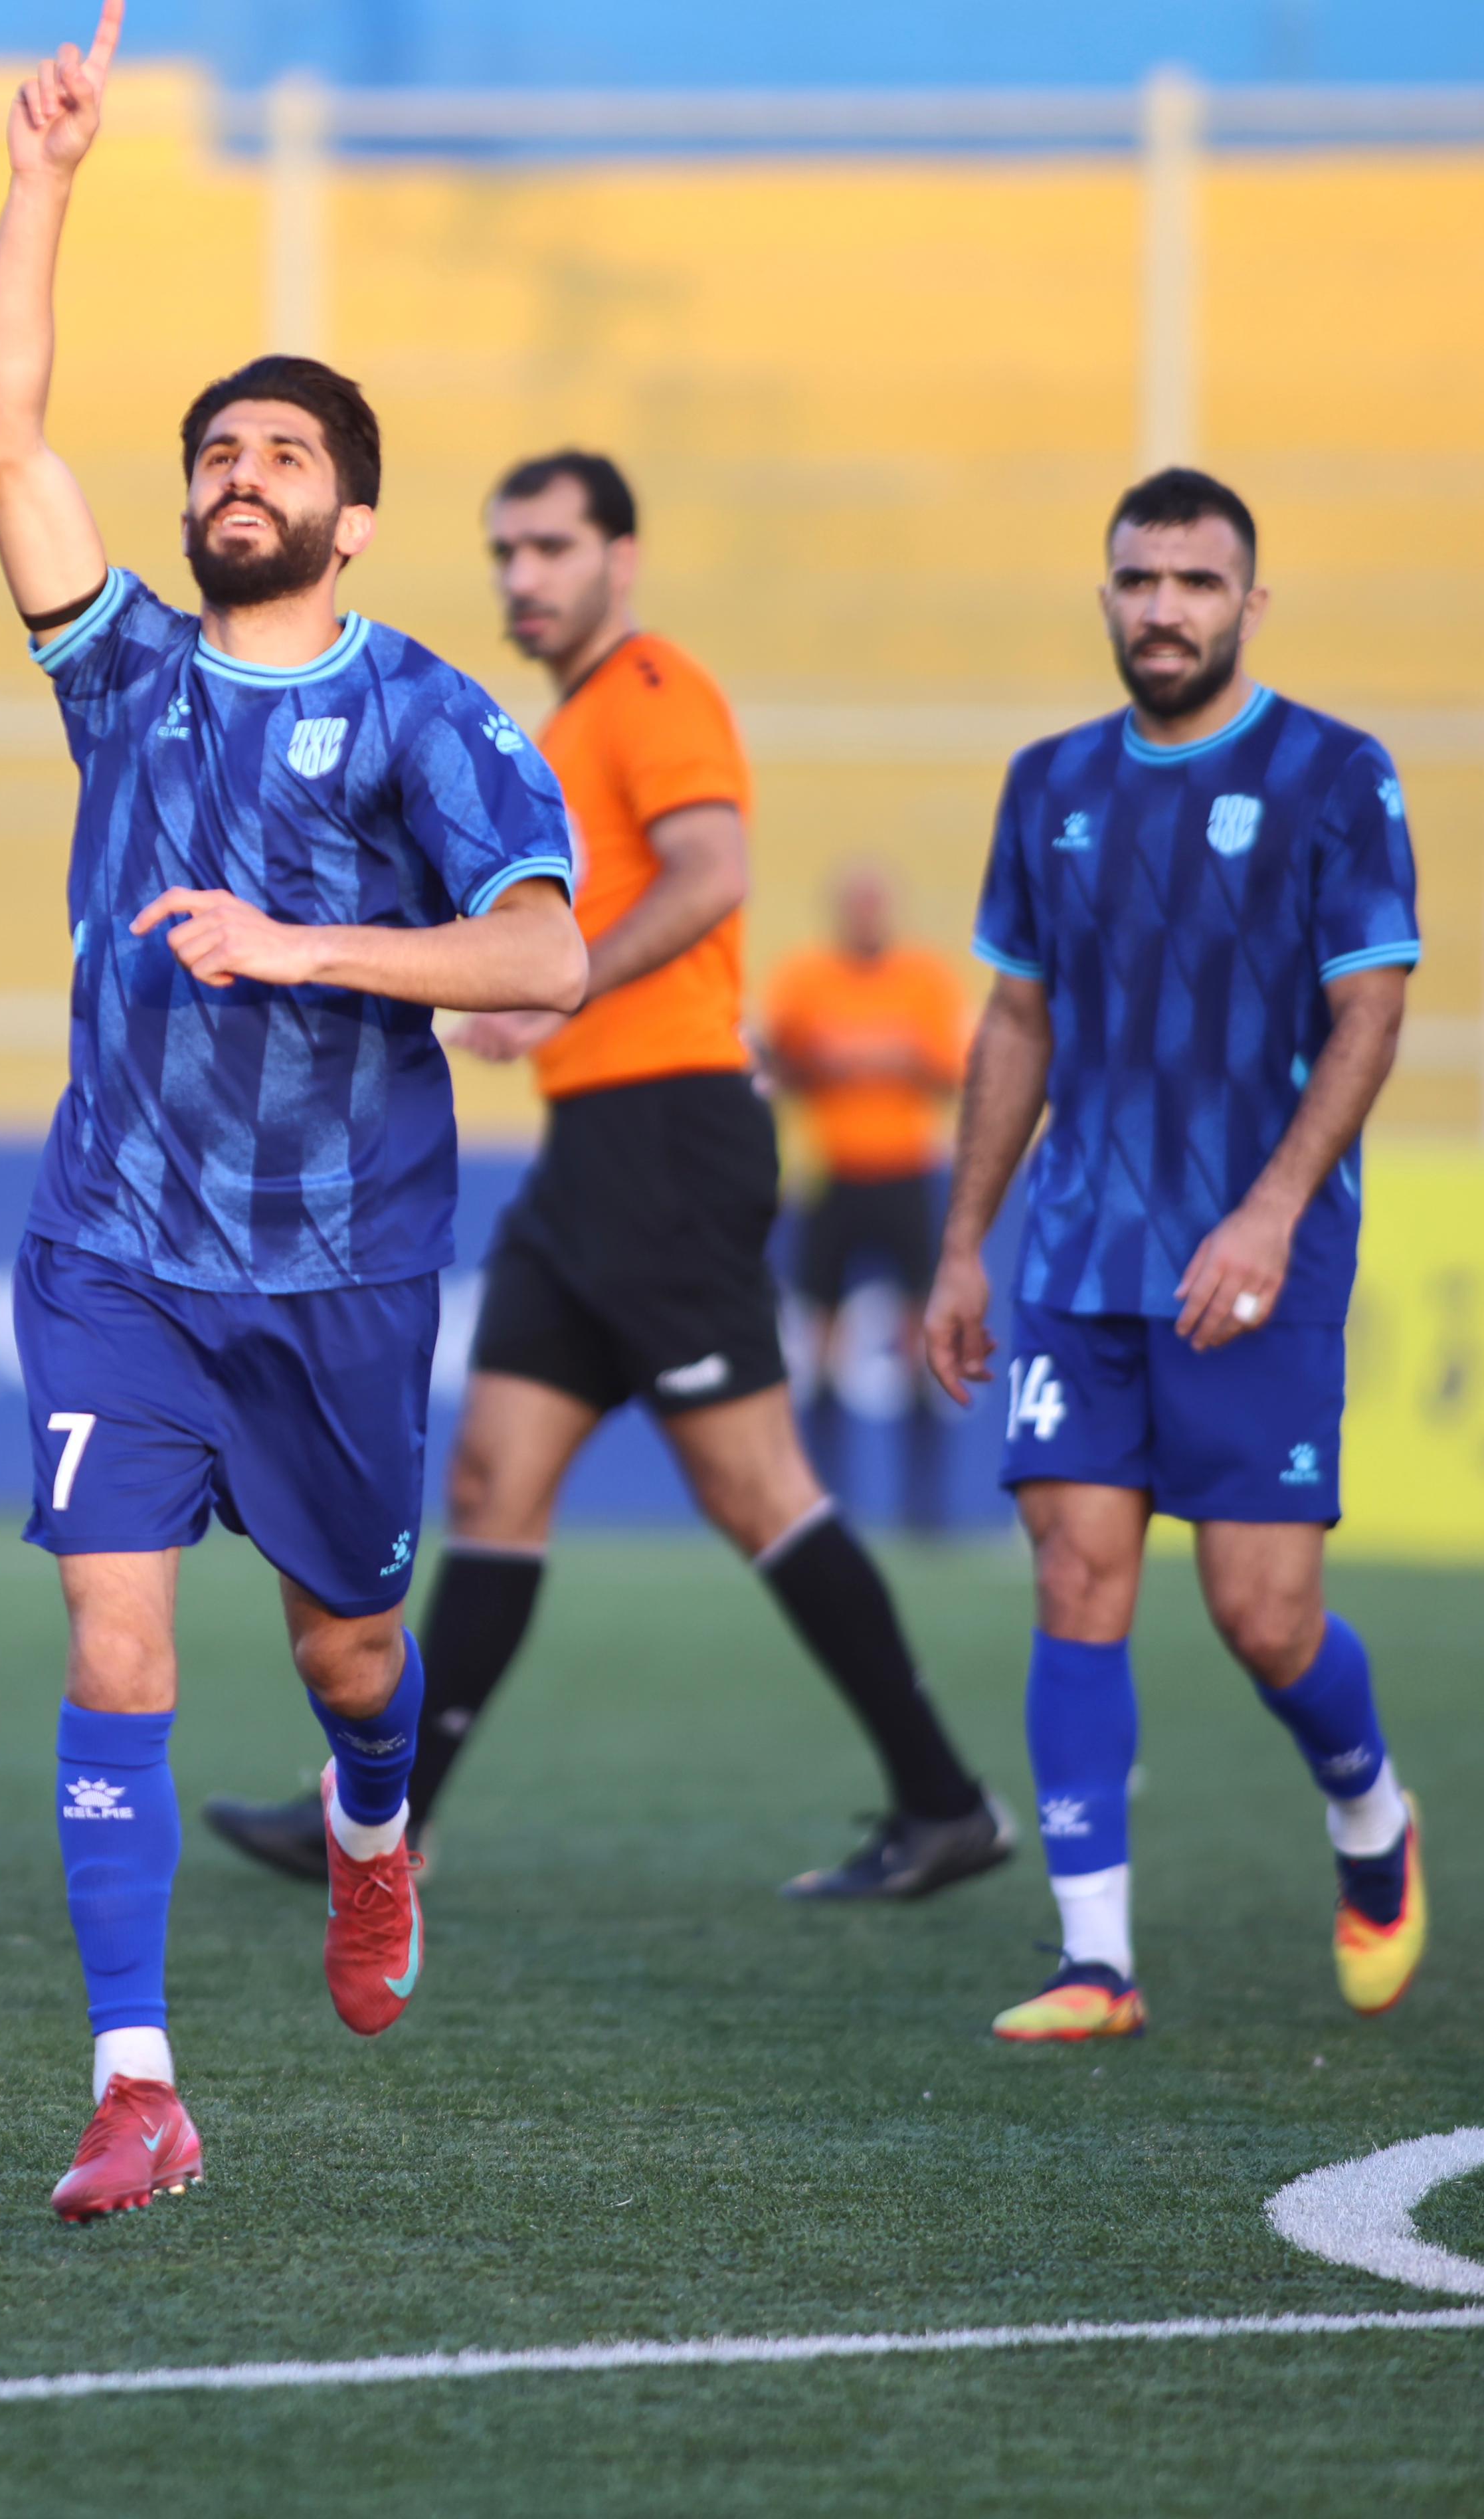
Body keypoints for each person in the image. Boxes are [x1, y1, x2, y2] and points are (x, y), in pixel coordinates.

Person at [0, 0, 586, 2218]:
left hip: (335, 1278)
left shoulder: (426, 720)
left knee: (347, 1647)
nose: (238, 479)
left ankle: (370, 1827)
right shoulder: (122, 671)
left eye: (281, 459)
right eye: (216, 453)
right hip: (114, 1251)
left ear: (351, 514)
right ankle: (137, 2082)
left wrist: (309, 946)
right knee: (109, 1626)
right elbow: (8, 449)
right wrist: (44, 180)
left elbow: (543, 955)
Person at [205, 451, 1011, 1902]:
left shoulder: (653, 694)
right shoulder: (564, 723)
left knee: (759, 1488)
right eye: (507, 549)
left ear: (620, 560)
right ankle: (379, 1826)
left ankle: (947, 1803)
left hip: (670, 1138)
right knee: (493, 1478)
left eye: (554, 547)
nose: (525, 575)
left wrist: (556, 989)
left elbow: (712, 874)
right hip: (593, 1153)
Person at [926, 466, 1426, 2045]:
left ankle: (1369, 1819)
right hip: (1078, 1255)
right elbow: (1016, 1019)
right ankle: (1095, 1962)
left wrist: (1274, 1206)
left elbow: (1372, 1009)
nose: (1163, 610)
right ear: (1106, 595)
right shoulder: (1047, 781)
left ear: (1247, 605)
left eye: (1195, 584)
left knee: (1260, 1613)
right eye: (1138, 581)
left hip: (1252, 1261)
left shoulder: (1333, 774)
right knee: (1075, 1577)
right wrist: (961, 1248)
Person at [763, 866, 969, 1519]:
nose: (866, 917)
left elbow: (948, 1072)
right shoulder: (805, 979)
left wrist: (887, 1059)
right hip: (833, 1175)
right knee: (820, 1339)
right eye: (856, 905)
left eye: (874, 904)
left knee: (919, 1336)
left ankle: (924, 1506)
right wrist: (828, 1063)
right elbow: (779, 1065)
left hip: (907, 1173)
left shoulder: (924, 978)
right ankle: (823, 1500)